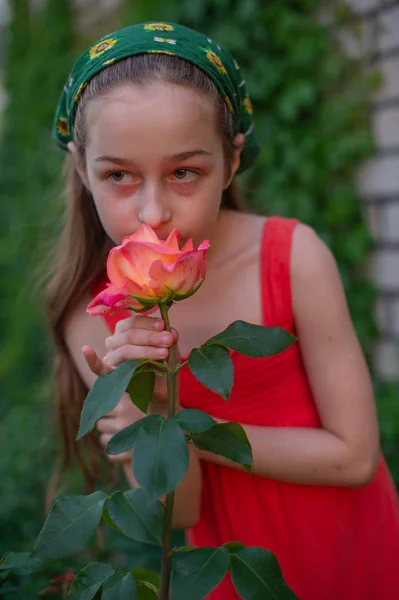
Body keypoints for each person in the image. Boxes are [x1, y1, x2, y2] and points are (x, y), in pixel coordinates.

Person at [46, 21, 399, 600]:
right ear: (83, 171)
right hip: (226, 572)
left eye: (184, 172)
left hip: (348, 542)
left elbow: (355, 457)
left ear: (231, 162)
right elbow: (180, 509)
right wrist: (145, 409)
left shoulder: (293, 258)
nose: (152, 212)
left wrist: (189, 423)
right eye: (118, 175)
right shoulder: (92, 318)